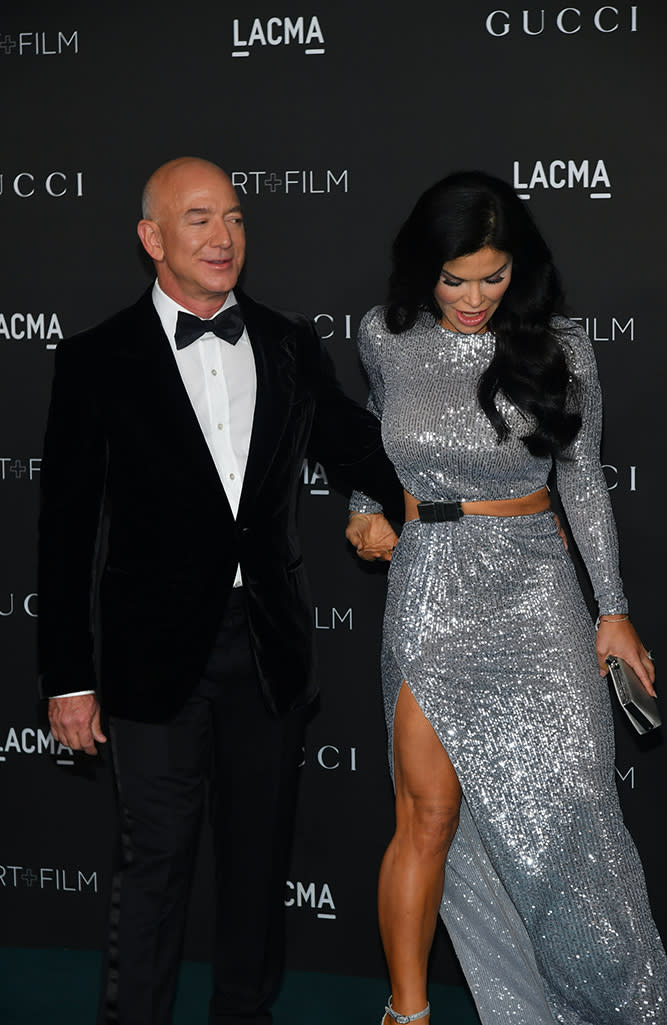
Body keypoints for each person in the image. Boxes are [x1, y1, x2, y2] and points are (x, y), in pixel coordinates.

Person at [38, 156, 400, 1025]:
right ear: (151, 237)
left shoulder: (283, 341)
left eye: (234, 218)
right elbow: (64, 531)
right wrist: (67, 676)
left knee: (256, 863)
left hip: (266, 648)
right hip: (151, 656)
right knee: (154, 862)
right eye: (198, 219)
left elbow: (356, 443)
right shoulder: (96, 359)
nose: (223, 236)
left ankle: (244, 1014)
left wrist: (423, 495)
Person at [346, 171, 667, 1025]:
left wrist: (611, 609)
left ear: (518, 268)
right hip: (429, 590)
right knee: (424, 814)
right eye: (453, 278)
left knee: (574, 812)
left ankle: (612, 1005)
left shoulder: (560, 346)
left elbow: (583, 479)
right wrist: (363, 506)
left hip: (534, 587)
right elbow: (375, 439)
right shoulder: (382, 337)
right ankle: (406, 1013)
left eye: (490, 277)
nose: (470, 297)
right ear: (423, 268)